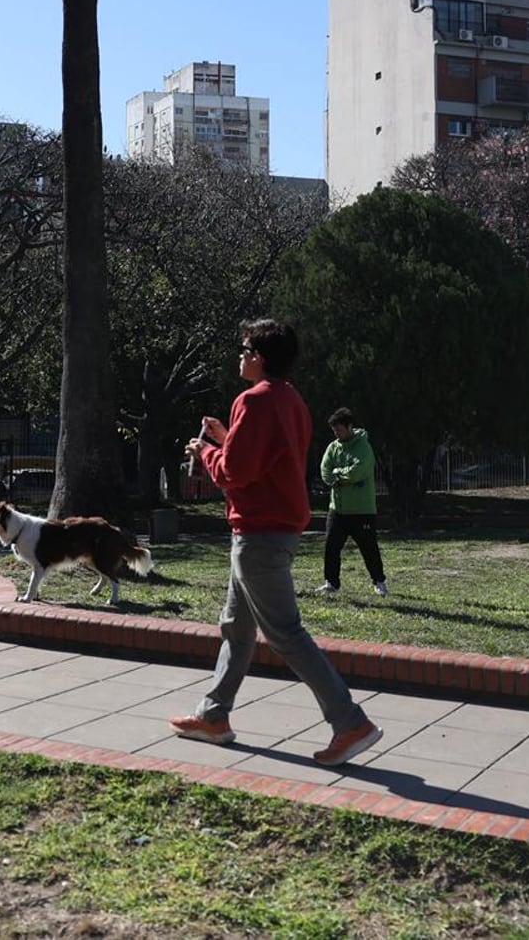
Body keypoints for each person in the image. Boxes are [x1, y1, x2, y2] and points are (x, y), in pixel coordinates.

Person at [173, 319, 383, 766]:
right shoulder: (291, 400)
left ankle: (350, 723)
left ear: (260, 356)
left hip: (258, 533)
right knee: (236, 626)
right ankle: (214, 716)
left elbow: (233, 473)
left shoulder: (252, 399)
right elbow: (264, 460)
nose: (240, 354)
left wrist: (204, 451)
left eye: (245, 347)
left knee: (284, 632)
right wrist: (224, 440)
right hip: (272, 528)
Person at [317, 407, 387, 598]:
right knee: (331, 546)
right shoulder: (333, 447)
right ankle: (331, 582)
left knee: (368, 547)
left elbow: (358, 471)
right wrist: (336, 476)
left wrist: (337, 474)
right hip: (337, 509)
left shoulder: (363, 446)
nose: (337, 434)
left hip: (361, 509)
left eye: (339, 429)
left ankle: (379, 581)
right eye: (334, 431)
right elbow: (325, 470)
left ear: (349, 426)